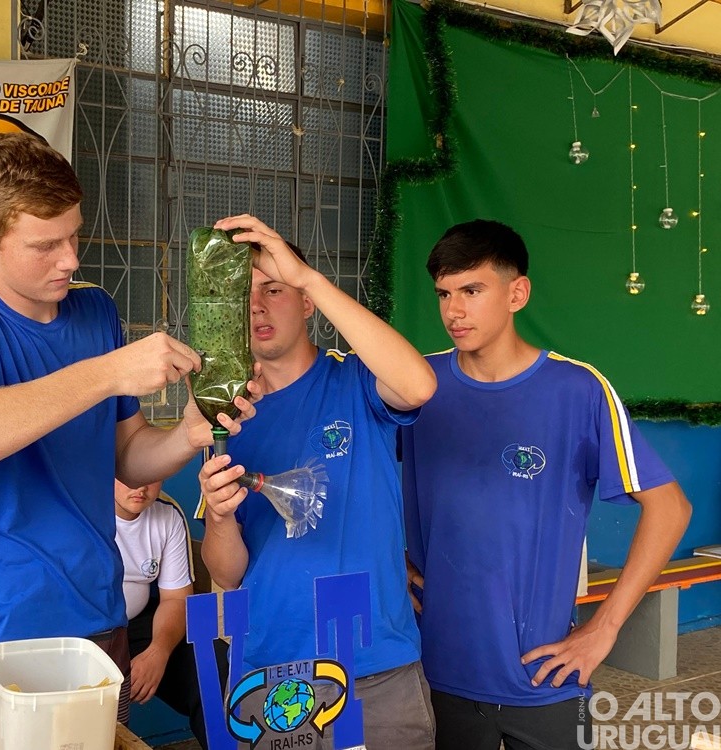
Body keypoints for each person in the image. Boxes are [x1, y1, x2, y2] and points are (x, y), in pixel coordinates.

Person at [0, 131, 257, 749]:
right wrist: (107, 373)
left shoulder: (96, 312)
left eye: (75, 235)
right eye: (46, 244)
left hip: (94, 611)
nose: (70, 259)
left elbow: (126, 452)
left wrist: (188, 433)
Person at [401, 219, 692, 750]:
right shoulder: (418, 385)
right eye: (444, 293)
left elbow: (670, 507)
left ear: (518, 293)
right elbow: (358, 477)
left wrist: (603, 630)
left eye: (471, 290)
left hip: (546, 678)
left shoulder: (576, 390)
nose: (453, 310)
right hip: (432, 671)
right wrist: (387, 558)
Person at [197, 214, 438, 748]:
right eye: (244, 293)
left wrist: (307, 276)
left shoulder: (354, 380)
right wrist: (218, 516)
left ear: (307, 301)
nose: (256, 305)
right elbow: (228, 572)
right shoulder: (228, 417)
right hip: (267, 673)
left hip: (373, 672)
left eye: (274, 288)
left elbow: (418, 385)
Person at [114, 478, 225, 750]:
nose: (139, 486)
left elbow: (175, 598)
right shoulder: (83, 508)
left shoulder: (167, 512)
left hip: (139, 623)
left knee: (217, 666)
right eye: (127, 475)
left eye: (152, 473)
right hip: (84, 628)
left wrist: (158, 652)